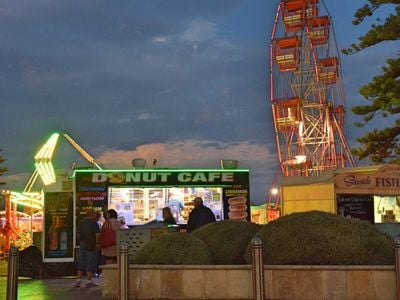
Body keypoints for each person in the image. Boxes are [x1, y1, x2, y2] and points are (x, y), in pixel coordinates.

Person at [75, 208, 100, 287]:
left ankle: (78, 280)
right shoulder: (94, 223)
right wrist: (97, 243)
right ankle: (89, 281)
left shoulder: (81, 223)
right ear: (92, 214)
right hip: (91, 245)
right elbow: (97, 235)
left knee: (81, 261)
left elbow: (78, 235)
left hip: (82, 244)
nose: (95, 215)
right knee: (90, 261)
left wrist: (81, 240)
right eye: (95, 214)